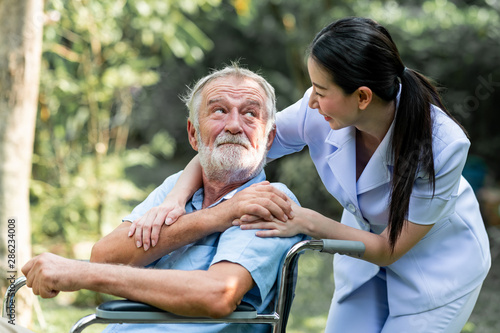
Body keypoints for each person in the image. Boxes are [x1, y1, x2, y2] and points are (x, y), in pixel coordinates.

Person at [132, 17, 491, 332]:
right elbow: (229, 148)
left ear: (362, 97)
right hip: (361, 249)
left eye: (320, 91)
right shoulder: (315, 110)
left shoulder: (442, 147)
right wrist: (174, 201)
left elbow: (388, 249)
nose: (311, 101)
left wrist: (303, 220)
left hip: (434, 264)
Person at [20, 64, 306, 333]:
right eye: (219, 111)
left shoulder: (270, 199)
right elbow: (105, 256)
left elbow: (218, 295)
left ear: (269, 139)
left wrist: (82, 274)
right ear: (193, 134)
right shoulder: (177, 189)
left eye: (250, 114)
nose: (234, 125)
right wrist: (219, 215)